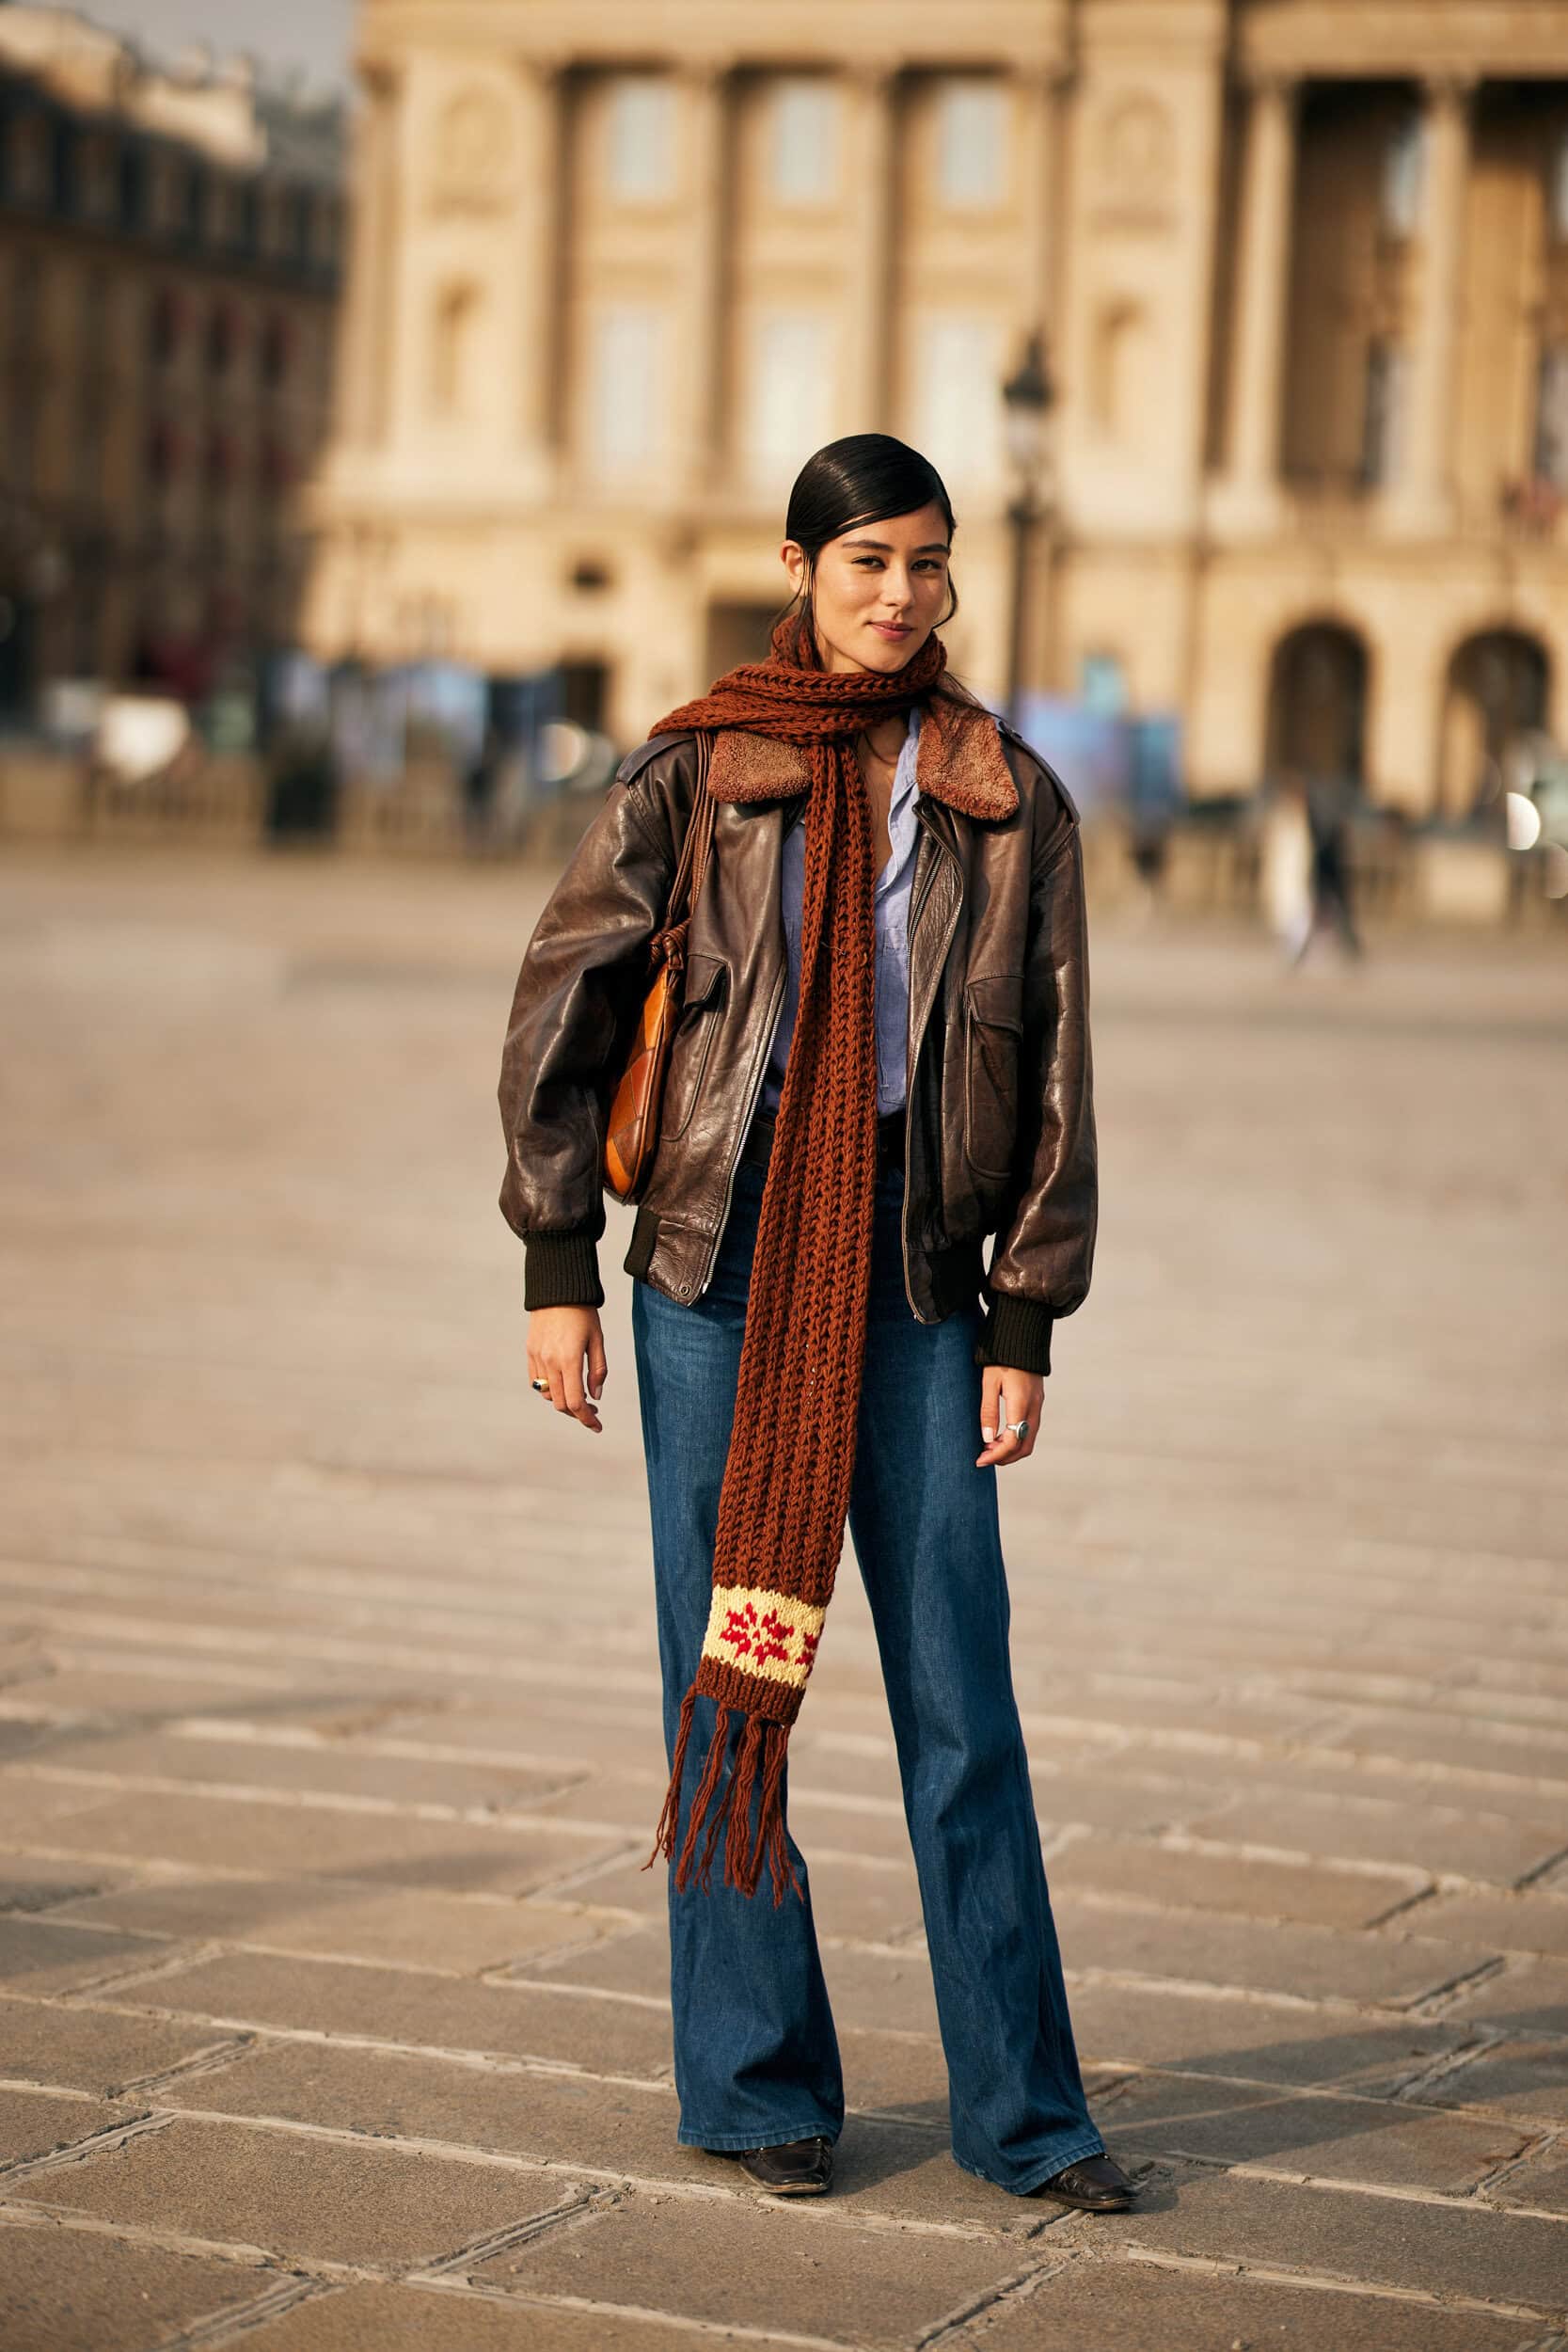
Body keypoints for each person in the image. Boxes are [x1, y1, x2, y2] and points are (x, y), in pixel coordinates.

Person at [498, 434, 1135, 2215]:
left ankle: (1029, 2112)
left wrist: (1029, 1314)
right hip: (715, 1265)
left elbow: (1062, 1068)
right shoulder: (698, 768)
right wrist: (559, 1269)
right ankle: (760, 2083)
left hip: (925, 1286)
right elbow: (562, 1003)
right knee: (726, 1690)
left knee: (963, 1705)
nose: (901, 593)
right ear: (798, 569)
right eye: (866, 563)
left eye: (927, 564)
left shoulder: (1005, 792)